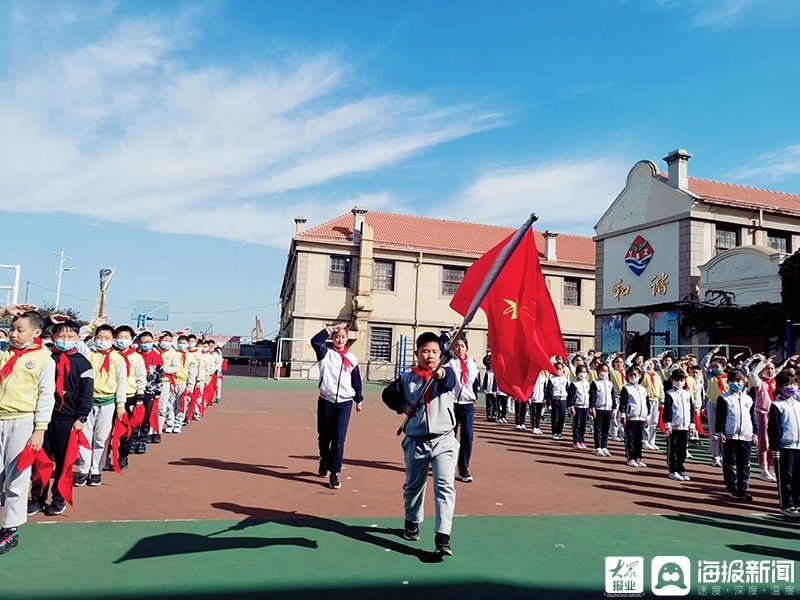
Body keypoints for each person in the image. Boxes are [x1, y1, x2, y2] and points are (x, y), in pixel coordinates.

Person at [382, 331, 458, 557]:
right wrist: (404, 407)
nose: (430, 355)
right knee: (414, 487)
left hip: (444, 440)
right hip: (416, 441)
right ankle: (412, 522)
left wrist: (441, 373)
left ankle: (443, 537)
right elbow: (388, 395)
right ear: (417, 354)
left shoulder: (446, 373)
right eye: (425, 351)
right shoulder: (407, 378)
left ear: (441, 354)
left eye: (435, 351)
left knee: (445, 487)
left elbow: (450, 380)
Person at [0, 306, 55, 555]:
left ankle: (10, 529)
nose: (13, 334)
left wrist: (39, 429)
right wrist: (4, 311)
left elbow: (46, 397)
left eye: (20, 330)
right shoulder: (3, 352)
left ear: (37, 332)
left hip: (22, 422)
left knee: (17, 476)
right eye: (11, 328)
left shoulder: (44, 359)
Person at [28, 319, 92, 516]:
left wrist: (81, 417)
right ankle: (37, 497)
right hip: (45, 418)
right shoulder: (45, 357)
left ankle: (59, 498)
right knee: (40, 459)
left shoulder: (83, 363)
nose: (65, 340)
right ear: (53, 337)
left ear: (77, 338)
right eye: (61, 336)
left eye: (70, 337)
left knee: (64, 462)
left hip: (69, 420)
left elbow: (86, 393)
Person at [310, 323, 363, 490]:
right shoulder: (325, 353)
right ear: (332, 338)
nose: (340, 339)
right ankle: (323, 459)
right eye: (337, 336)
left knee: (339, 440)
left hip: (344, 403)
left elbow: (356, 380)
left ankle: (334, 473)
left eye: (343, 337)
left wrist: (358, 399)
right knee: (324, 436)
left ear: (347, 339)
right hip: (326, 400)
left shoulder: (353, 359)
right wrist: (332, 328)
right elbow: (315, 341)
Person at [76, 323, 126, 486]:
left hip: (108, 402)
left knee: (101, 438)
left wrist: (120, 404)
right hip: (88, 402)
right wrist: (91, 326)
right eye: (99, 337)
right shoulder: (88, 354)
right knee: (84, 436)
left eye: (106, 338)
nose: (102, 341)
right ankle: (83, 469)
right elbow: (78, 338)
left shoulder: (118, 359)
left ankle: (96, 469)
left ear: (113, 340)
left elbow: (121, 383)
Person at [715, 369, 756, 501]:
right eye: (733, 381)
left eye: (739, 381)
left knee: (744, 463)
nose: (736, 383)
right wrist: (720, 432)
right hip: (730, 436)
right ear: (728, 382)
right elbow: (720, 417)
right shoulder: (724, 398)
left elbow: (752, 417)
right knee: (729, 463)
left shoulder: (748, 399)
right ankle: (731, 487)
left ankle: (742, 489)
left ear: (744, 382)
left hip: (746, 436)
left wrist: (755, 433)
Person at [445, 335, 479, 483]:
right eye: (456, 346)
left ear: (466, 348)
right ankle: (446, 465)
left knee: (467, 436)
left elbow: (475, 383)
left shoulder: (472, 364)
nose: (459, 348)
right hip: (452, 404)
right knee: (449, 436)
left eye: (462, 346)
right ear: (453, 348)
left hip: (468, 404)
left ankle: (463, 468)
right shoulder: (448, 362)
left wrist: (474, 398)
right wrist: (447, 336)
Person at [767, 370, 800, 517]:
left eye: (794, 383)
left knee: (798, 476)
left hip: (798, 446)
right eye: (787, 384)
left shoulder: (798, 404)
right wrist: (775, 447)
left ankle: (797, 502)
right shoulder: (777, 405)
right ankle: (786, 504)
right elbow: (773, 429)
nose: (791, 387)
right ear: (779, 387)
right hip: (784, 447)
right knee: (786, 476)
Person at [114, 326, 146, 469]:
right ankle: (107, 456)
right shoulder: (111, 355)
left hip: (129, 396)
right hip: (111, 396)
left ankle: (123, 455)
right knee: (109, 429)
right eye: (120, 337)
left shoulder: (137, 357)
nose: (122, 340)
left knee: (127, 429)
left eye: (126, 337)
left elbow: (140, 377)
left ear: (132, 339)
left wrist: (140, 396)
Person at [133, 332, 164, 454]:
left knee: (146, 417)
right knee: (135, 417)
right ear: (138, 343)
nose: (145, 344)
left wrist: (158, 391)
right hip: (134, 391)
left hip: (149, 392)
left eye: (148, 342)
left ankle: (143, 440)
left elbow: (160, 376)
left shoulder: (157, 357)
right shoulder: (135, 355)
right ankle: (133, 439)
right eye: (143, 342)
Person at [662, 370, 695, 481]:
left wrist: (692, 424)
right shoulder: (669, 394)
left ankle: (681, 468)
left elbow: (691, 410)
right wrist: (667, 425)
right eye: (677, 380)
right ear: (672, 380)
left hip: (685, 426)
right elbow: (667, 411)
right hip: (673, 427)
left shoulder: (687, 393)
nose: (679, 382)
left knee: (682, 449)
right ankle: (673, 470)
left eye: (681, 380)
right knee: (673, 449)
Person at [751, 355, 778, 481]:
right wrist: (763, 362)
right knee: (764, 442)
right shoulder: (760, 382)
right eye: (767, 369)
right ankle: (763, 469)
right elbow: (753, 373)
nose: (770, 371)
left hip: (774, 413)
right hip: (762, 413)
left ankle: (771, 468)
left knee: (773, 441)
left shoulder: (775, 382)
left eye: (772, 369)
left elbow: (780, 371)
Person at [619, 366, 649, 468]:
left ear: (640, 376)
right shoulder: (626, 388)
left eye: (635, 375)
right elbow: (623, 403)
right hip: (630, 417)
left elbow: (646, 403)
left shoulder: (643, 389)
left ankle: (638, 458)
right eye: (631, 375)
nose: (633, 377)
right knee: (630, 439)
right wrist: (623, 415)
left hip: (641, 417)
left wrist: (647, 416)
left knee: (638, 439)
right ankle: (631, 458)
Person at [170, 334, 198, 434]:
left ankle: (178, 422)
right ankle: (170, 422)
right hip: (172, 381)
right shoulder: (173, 353)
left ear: (188, 344)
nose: (181, 345)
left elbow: (192, 372)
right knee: (170, 404)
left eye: (184, 343)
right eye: (180, 343)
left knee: (181, 403)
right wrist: (174, 335)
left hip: (183, 382)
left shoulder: (191, 357)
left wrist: (190, 384)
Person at [155, 331, 179, 441]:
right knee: (150, 408)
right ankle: (148, 430)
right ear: (160, 340)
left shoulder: (173, 353)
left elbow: (176, 367)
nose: (167, 343)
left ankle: (157, 431)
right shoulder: (154, 350)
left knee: (162, 407)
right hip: (151, 382)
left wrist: (165, 370)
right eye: (165, 340)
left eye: (169, 341)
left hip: (165, 382)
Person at [589, 362, 616, 456]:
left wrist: (614, 408)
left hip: (608, 409)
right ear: (597, 371)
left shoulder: (610, 384)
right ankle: (597, 447)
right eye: (602, 370)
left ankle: (604, 446)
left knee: (606, 429)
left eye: (606, 371)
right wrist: (592, 407)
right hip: (598, 408)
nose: (603, 373)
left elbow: (613, 396)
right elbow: (592, 396)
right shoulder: (595, 383)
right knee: (598, 429)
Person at [642, 360, 665, 451]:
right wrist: (644, 366)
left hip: (656, 399)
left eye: (651, 364)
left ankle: (652, 440)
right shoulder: (643, 374)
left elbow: (661, 388)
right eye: (647, 364)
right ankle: (645, 440)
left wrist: (662, 400)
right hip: (647, 399)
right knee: (647, 420)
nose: (649, 366)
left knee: (654, 421)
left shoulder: (657, 376)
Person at [567, 364, 591, 450]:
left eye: (584, 372)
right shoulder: (574, 384)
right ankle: (576, 441)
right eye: (580, 372)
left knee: (583, 425)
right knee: (576, 424)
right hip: (577, 407)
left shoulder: (587, 383)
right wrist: (571, 407)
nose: (583, 374)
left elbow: (589, 395)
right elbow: (570, 396)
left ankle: (581, 440)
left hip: (585, 406)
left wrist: (590, 406)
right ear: (576, 373)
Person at [546, 362, 569, 441]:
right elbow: (549, 391)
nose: (558, 370)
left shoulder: (565, 379)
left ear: (563, 370)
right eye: (557, 369)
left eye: (560, 369)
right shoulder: (551, 379)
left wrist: (568, 403)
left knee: (561, 417)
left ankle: (560, 432)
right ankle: (554, 432)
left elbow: (567, 390)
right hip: (554, 400)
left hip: (563, 400)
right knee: (555, 417)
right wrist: (549, 403)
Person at [530, 370, 547, 435]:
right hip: (534, 398)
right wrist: (530, 397)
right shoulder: (532, 378)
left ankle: (537, 426)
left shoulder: (543, 378)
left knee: (538, 414)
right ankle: (533, 426)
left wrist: (545, 398)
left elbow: (544, 389)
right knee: (534, 413)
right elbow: (530, 388)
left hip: (541, 398)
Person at [482, 349, 497, 422]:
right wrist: (484, 388)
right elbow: (485, 381)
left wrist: (495, 391)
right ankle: (488, 415)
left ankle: (494, 415)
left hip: (493, 392)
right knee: (488, 404)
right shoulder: (487, 372)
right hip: (488, 391)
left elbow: (496, 383)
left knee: (494, 404)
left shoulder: (496, 373)